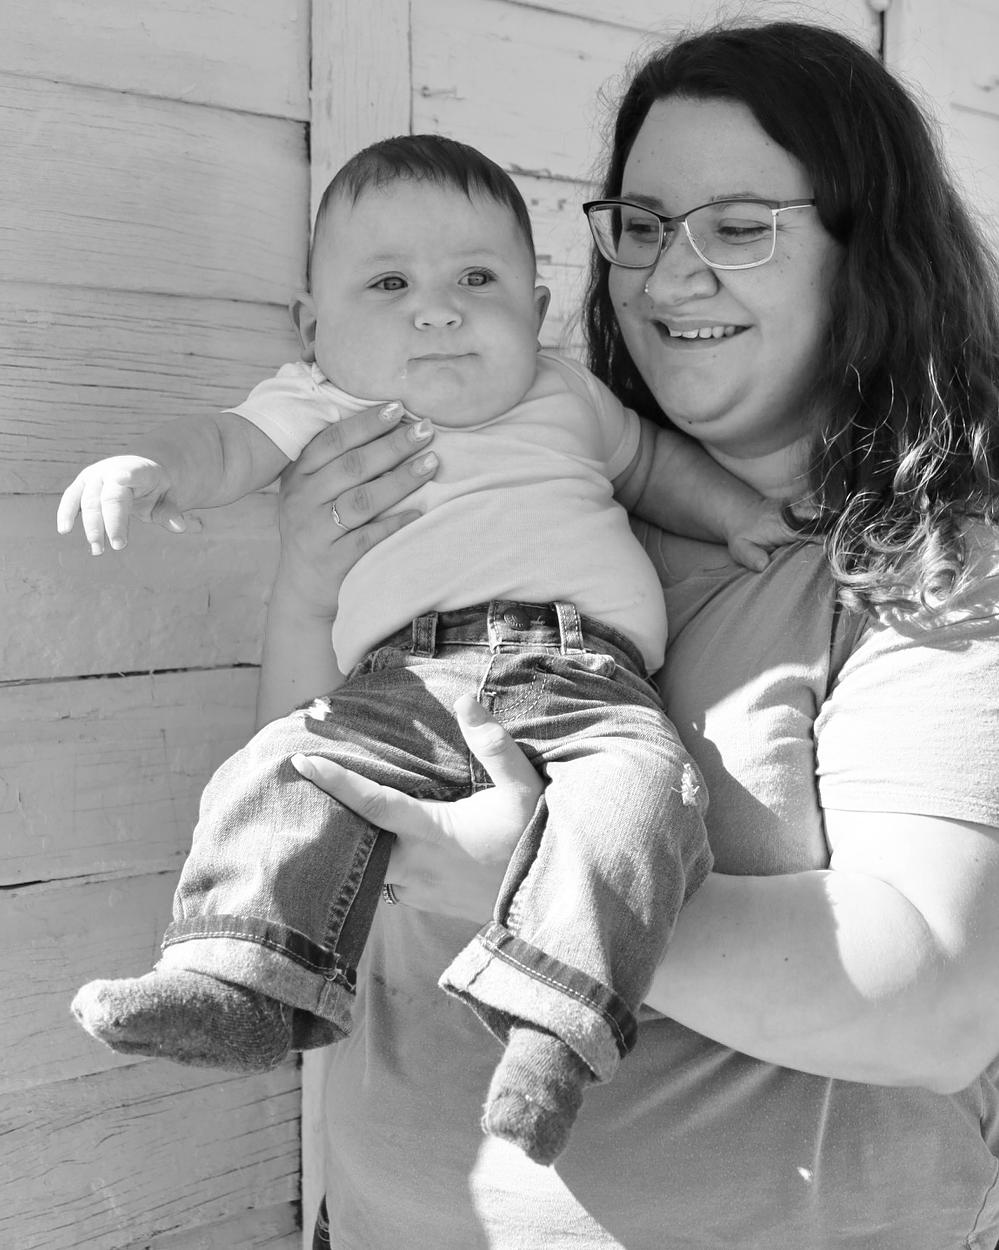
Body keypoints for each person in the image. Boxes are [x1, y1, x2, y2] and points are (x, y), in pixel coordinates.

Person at [258, 21, 999, 1249]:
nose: (666, 278)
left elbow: (935, 999)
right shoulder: (532, 501)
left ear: (867, 252)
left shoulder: (928, 565)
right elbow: (316, 787)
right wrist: (302, 593)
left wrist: (535, 891)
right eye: (643, 226)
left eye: (740, 227)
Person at [61, 135, 798, 1165]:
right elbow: (224, 444)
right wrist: (150, 466)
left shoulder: (568, 395)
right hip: (396, 687)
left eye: (476, 280)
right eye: (389, 283)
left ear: (535, 310)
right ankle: (238, 975)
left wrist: (737, 516)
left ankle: (555, 1039)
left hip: (588, 682)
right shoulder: (321, 401)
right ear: (315, 329)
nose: (437, 311)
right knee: (282, 767)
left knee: (641, 798)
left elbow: (655, 468)